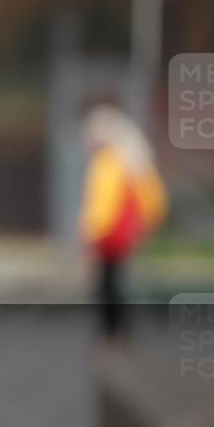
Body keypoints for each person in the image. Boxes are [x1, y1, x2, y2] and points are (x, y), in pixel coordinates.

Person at [79, 104, 167, 342]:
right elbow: (152, 200)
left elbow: (102, 204)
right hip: (122, 235)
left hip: (109, 236)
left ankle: (112, 332)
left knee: (107, 285)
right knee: (115, 283)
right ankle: (118, 332)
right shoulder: (131, 160)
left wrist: (91, 233)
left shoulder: (108, 162)